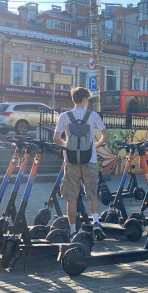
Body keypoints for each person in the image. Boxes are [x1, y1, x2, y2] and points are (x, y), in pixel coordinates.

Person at [53, 87, 110, 239]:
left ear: (74, 99)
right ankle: (96, 223)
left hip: (71, 161)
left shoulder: (64, 116)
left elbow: (56, 138)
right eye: (88, 100)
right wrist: (96, 145)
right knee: (92, 195)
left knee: (71, 198)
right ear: (84, 99)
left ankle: (72, 231)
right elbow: (106, 134)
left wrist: (68, 146)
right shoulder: (93, 115)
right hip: (89, 160)